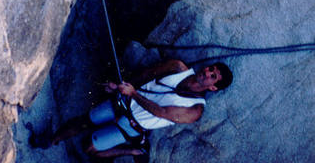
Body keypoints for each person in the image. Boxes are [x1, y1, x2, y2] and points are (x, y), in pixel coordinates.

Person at [46, 58, 233, 159]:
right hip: (124, 102)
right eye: (211, 69)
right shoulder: (178, 67)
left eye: (213, 76)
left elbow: (163, 113)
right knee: (85, 120)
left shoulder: (195, 110)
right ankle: (50, 140)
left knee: (89, 147)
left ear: (213, 87)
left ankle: (129, 151)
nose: (207, 73)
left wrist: (133, 94)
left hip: (134, 124)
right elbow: (146, 74)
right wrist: (118, 86)